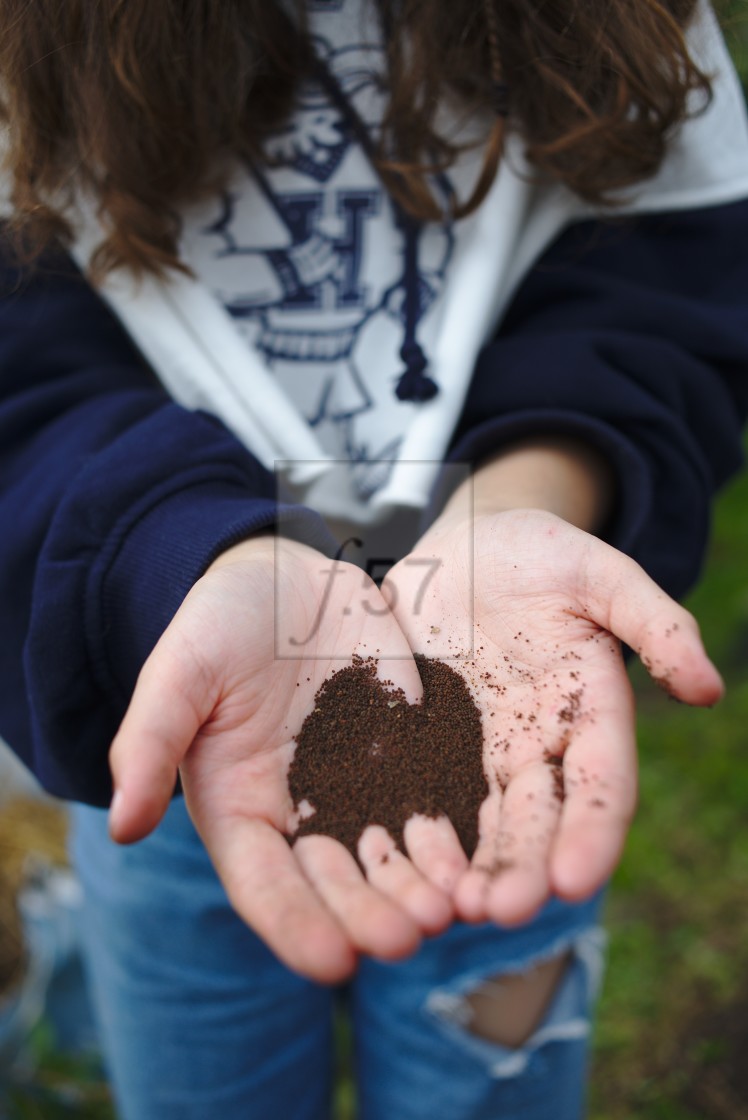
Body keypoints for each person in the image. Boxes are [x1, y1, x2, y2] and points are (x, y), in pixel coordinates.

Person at [0, 0, 747, 1116]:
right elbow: (23, 374)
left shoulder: (625, 20)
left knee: (482, 1083)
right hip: (186, 703)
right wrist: (179, 559)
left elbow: (666, 292)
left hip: (511, 723)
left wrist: (525, 498)